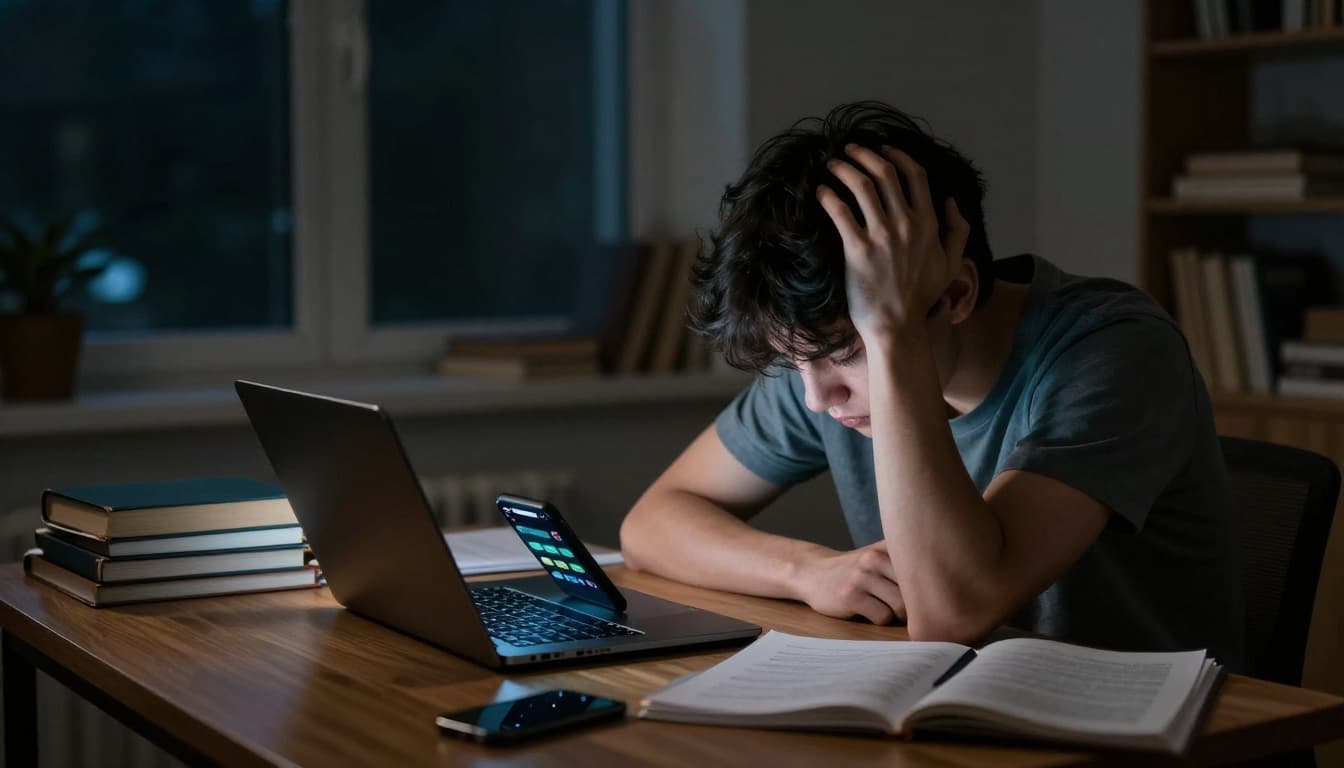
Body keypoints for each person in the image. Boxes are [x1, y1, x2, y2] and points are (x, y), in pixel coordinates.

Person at [619, 101, 1244, 668]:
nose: (816, 398)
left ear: (956, 293)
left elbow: (953, 613)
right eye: (795, 362)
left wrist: (891, 336)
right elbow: (651, 526)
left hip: (1165, 737)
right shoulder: (825, 355)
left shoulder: (1114, 351)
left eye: (846, 352)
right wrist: (808, 571)